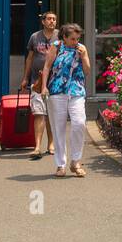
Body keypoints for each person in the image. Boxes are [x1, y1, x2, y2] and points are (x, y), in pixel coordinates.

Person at [40, 23, 91, 178]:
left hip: (76, 90)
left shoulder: (81, 48)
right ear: (64, 37)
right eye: (73, 39)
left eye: (78, 38)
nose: (76, 41)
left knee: (79, 122)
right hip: (57, 91)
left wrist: (83, 56)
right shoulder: (57, 46)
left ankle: (75, 161)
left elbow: (87, 71)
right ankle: (60, 164)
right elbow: (47, 67)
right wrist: (44, 87)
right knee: (58, 128)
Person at [20, 11, 59, 160]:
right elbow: (30, 58)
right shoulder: (35, 37)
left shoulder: (59, 36)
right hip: (36, 82)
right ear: (43, 21)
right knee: (39, 113)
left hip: (55, 82)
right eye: (49, 19)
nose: (52, 21)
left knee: (51, 115)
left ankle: (51, 144)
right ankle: (37, 146)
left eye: (54, 19)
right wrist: (25, 77)